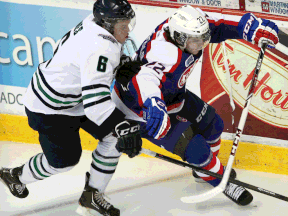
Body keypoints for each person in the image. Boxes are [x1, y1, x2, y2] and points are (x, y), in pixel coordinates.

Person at [112, 5, 279, 206]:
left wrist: (249, 28)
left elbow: (215, 27)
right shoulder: (165, 54)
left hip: (172, 96)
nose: (202, 44)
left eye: (202, 38)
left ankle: (205, 171)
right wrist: (154, 104)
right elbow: (146, 79)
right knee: (195, 149)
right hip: (141, 109)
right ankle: (220, 179)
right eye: (196, 40)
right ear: (180, 38)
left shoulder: (182, 28)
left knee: (213, 123)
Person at [0, 1, 147, 216]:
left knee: (113, 138)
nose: (128, 30)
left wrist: (121, 63)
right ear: (107, 25)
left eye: (128, 24)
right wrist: (123, 126)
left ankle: (92, 195)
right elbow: (96, 104)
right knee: (63, 162)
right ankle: (15, 175)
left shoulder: (93, 23)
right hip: (49, 109)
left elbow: (87, 69)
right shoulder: (101, 47)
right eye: (123, 26)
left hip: (75, 100)